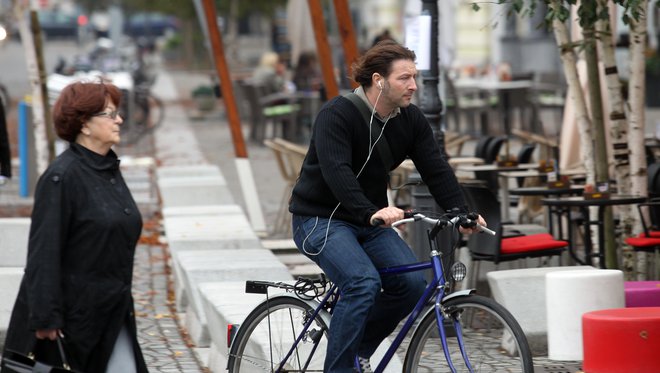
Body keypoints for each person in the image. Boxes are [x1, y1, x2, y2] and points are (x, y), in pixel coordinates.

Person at [288, 40, 486, 372]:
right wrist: (370, 211)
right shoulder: (336, 114)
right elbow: (338, 172)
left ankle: (356, 351)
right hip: (320, 220)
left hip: (369, 222)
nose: (414, 85)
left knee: (410, 286)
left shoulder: (410, 119)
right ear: (379, 80)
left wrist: (458, 210)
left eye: (415, 77)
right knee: (362, 282)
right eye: (404, 78)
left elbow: (434, 167)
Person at [1, 80, 149, 373]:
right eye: (109, 114)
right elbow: (43, 254)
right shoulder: (61, 178)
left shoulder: (107, 170)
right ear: (84, 123)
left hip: (112, 313)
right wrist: (46, 319)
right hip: (72, 324)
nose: (119, 119)